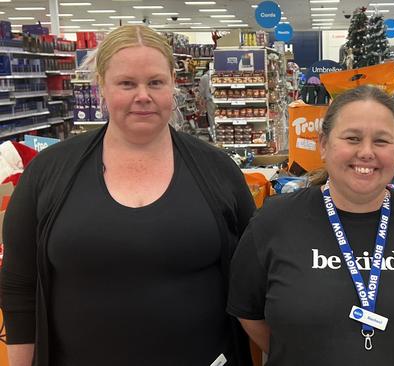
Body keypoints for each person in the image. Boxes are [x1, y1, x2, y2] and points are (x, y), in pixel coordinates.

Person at [0, 25, 255, 366]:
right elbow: (19, 284)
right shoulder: (50, 172)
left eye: (155, 82)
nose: (143, 95)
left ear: (172, 86)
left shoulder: (218, 171)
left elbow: (253, 276)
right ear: (102, 88)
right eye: (126, 83)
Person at [227, 85, 394, 365]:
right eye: (352, 138)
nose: (366, 152)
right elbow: (249, 313)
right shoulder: (273, 222)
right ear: (324, 145)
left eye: (382, 141)